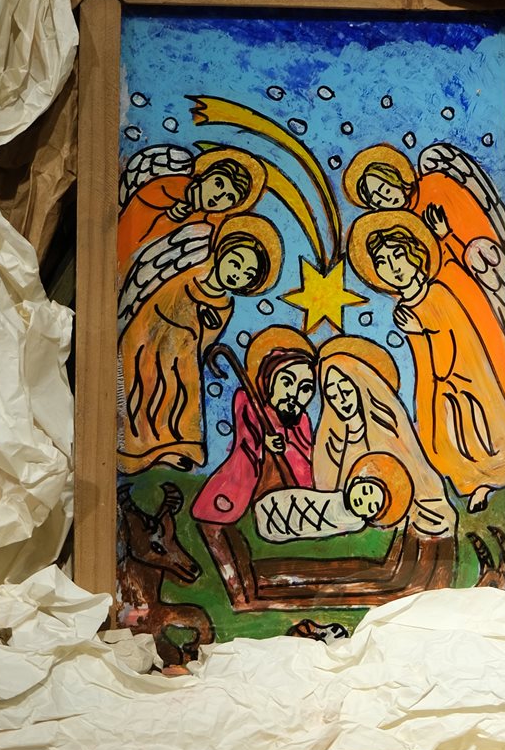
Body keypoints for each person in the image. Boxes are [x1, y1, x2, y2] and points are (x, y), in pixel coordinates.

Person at [347, 212, 505, 500]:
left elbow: (460, 338)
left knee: (473, 429)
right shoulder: (403, 309)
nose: (393, 268)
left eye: (398, 255)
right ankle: (469, 484)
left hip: (467, 379)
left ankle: (492, 478)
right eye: (382, 262)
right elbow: (421, 359)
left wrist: (423, 330)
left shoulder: (438, 292)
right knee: (439, 436)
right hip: (433, 382)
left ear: (414, 254)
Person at [116, 216, 279, 476]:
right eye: (235, 263)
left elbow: (204, 342)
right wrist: (190, 315)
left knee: (184, 395)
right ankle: (135, 453)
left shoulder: (224, 305)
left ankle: (175, 448)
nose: (237, 274)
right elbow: (158, 306)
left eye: (246, 275)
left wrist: (200, 327)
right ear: (222, 253)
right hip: (150, 343)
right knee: (142, 395)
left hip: (182, 357)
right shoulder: (187, 277)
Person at [342, 143, 505, 398]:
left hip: (471, 287)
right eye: (376, 201)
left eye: (384, 189)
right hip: (437, 306)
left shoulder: (436, 188)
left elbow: (473, 246)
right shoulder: (395, 230)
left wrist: (446, 236)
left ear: (395, 177)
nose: (385, 200)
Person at [312, 336, 455, 539]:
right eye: (332, 395)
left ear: (360, 384)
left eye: (345, 389)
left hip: (401, 523)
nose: (341, 400)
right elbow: (326, 496)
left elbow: (424, 483)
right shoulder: (331, 443)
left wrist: (442, 516)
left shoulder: (388, 429)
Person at [191, 327, 317, 525]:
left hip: (286, 489)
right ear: (268, 380)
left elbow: (306, 458)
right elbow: (245, 440)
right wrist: (264, 441)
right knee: (215, 519)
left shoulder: (301, 420)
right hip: (251, 479)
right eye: (287, 382)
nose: (294, 394)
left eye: (305, 388)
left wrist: (287, 448)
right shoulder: (249, 403)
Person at [117, 148, 265, 272]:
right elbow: (137, 212)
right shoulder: (169, 186)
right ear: (204, 176)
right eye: (218, 183)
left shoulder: (207, 226)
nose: (218, 196)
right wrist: (167, 216)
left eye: (229, 197)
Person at [343, 453, 415, 528]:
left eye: (370, 508)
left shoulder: (355, 524)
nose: (362, 500)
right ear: (357, 480)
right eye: (365, 491)